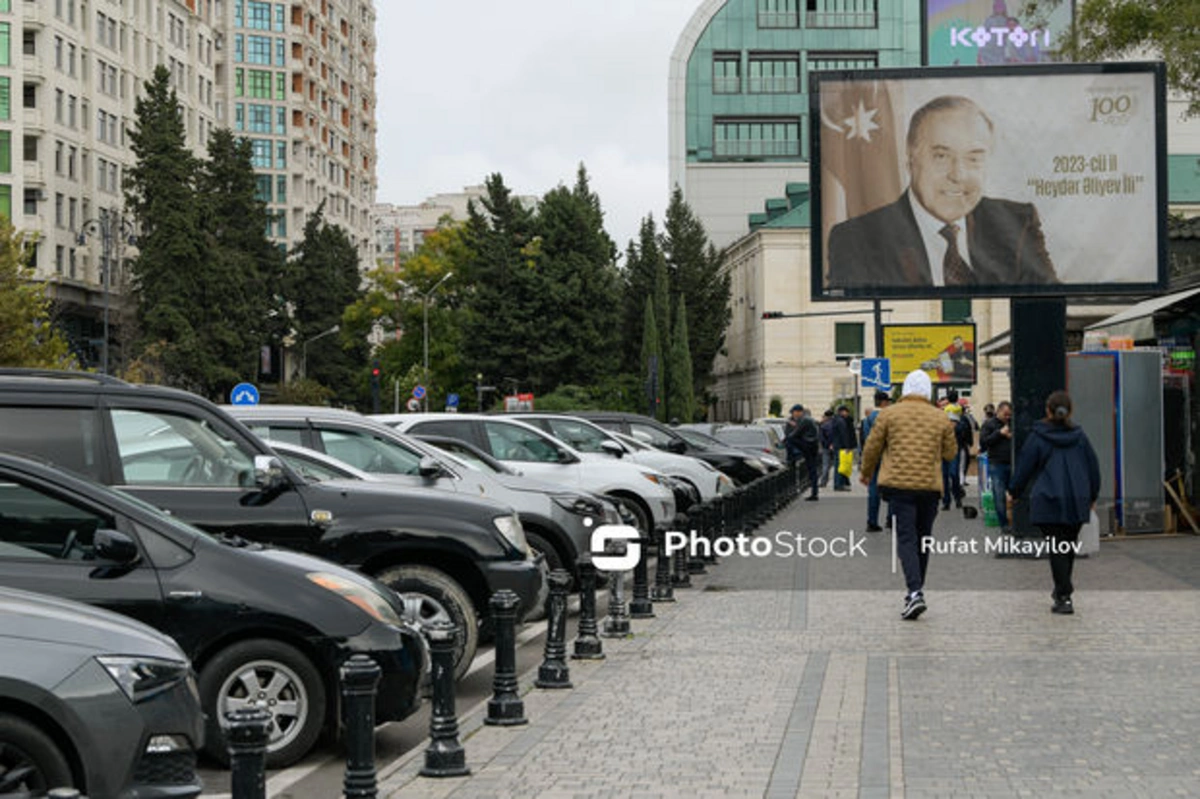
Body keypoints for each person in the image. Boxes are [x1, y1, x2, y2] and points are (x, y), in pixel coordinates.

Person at [827, 95, 1058, 289]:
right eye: (941, 156)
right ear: (910, 159)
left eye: (973, 158)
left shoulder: (1017, 223)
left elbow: (1051, 301)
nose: (958, 175)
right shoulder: (857, 240)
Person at [860, 371, 957, 620]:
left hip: (899, 487)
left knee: (906, 539)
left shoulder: (888, 414)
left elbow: (873, 446)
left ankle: (914, 592)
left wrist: (866, 472)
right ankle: (916, 591)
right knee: (923, 539)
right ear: (928, 391)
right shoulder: (940, 417)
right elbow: (949, 453)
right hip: (929, 488)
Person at [1007, 391, 1101, 614]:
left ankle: (1064, 594)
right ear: (1070, 411)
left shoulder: (1038, 436)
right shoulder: (1080, 436)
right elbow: (1093, 467)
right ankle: (1062, 592)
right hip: (1077, 498)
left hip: (1048, 498)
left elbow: (1025, 466)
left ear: (1047, 410)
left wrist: (1014, 491)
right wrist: (1093, 496)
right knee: (1067, 546)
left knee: (1057, 547)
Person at [979, 400, 1015, 532]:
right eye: (1005, 414)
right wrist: (1000, 433)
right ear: (998, 411)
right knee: (999, 495)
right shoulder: (989, 424)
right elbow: (984, 442)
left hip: (1012, 463)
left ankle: (1014, 521)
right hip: (997, 464)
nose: (1007, 417)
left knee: (1014, 495)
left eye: (1009, 415)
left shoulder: (1013, 423)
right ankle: (1003, 524)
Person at [861, 390, 892, 532]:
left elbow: (865, 441)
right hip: (888, 457)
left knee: (873, 489)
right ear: (884, 402)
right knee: (892, 487)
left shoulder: (867, 419)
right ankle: (891, 519)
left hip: (873, 457)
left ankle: (872, 521)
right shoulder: (889, 416)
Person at [784, 404, 821, 501]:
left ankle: (791, 458)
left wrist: (784, 440)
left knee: (789, 440)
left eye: (794, 413)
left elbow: (796, 433)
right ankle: (814, 492)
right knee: (812, 469)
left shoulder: (804, 420)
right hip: (812, 446)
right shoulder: (806, 419)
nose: (793, 415)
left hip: (809, 445)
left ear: (799, 411)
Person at [942, 404, 966, 509]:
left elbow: (963, 436)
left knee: (953, 474)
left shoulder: (960, 427)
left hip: (954, 452)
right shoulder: (941, 426)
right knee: (944, 476)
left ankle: (957, 497)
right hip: (942, 453)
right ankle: (946, 501)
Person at [833, 405, 858, 491]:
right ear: (842, 412)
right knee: (841, 466)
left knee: (839, 465)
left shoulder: (836, 420)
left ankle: (840, 483)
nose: (847, 414)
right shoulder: (841, 421)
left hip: (838, 445)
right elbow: (844, 435)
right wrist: (847, 446)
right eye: (846, 412)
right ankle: (839, 484)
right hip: (842, 447)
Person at [958, 397, 978, 485]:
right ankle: (961, 481)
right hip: (962, 444)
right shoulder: (965, 418)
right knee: (962, 464)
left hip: (961, 444)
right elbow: (971, 428)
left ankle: (961, 480)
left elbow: (975, 426)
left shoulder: (967, 417)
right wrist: (970, 442)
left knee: (962, 463)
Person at [819, 409, 837, 488]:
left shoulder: (823, 425)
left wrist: (828, 444)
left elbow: (822, 438)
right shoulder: (836, 424)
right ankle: (837, 482)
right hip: (836, 446)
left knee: (825, 465)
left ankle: (823, 482)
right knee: (835, 464)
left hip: (826, 447)